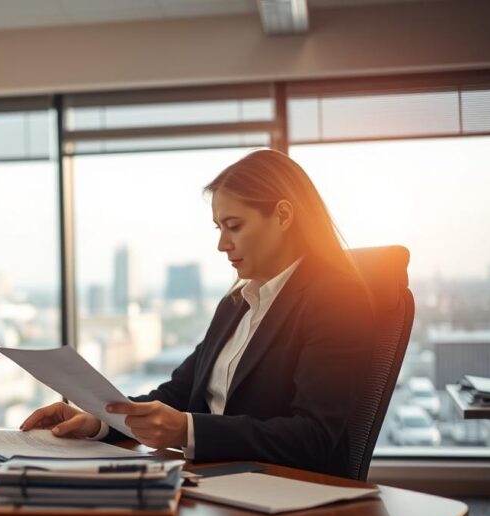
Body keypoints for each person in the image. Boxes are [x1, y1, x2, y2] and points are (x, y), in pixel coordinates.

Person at [21, 149, 374, 478]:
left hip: (283, 495)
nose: (222, 244)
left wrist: (187, 430)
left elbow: (313, 437)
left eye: (234, 226)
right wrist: (97, 421)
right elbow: (178, 393)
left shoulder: (334, 298)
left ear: (283, 215)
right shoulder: (236, 304)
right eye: (219, 228)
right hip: (214, 481)